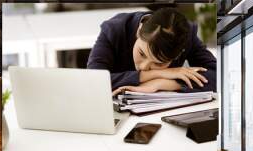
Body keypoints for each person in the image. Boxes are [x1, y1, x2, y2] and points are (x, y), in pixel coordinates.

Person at [87, 7, 216, 95]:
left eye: (159, 64)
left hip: (160, 112)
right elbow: (93, 81)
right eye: (141, 53)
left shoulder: (186, 37)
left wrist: (166, 83)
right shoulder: (114, 29)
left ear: (178, 55)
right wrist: (160, 73)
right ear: (139, 30)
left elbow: (220, 76)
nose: (144, 66)